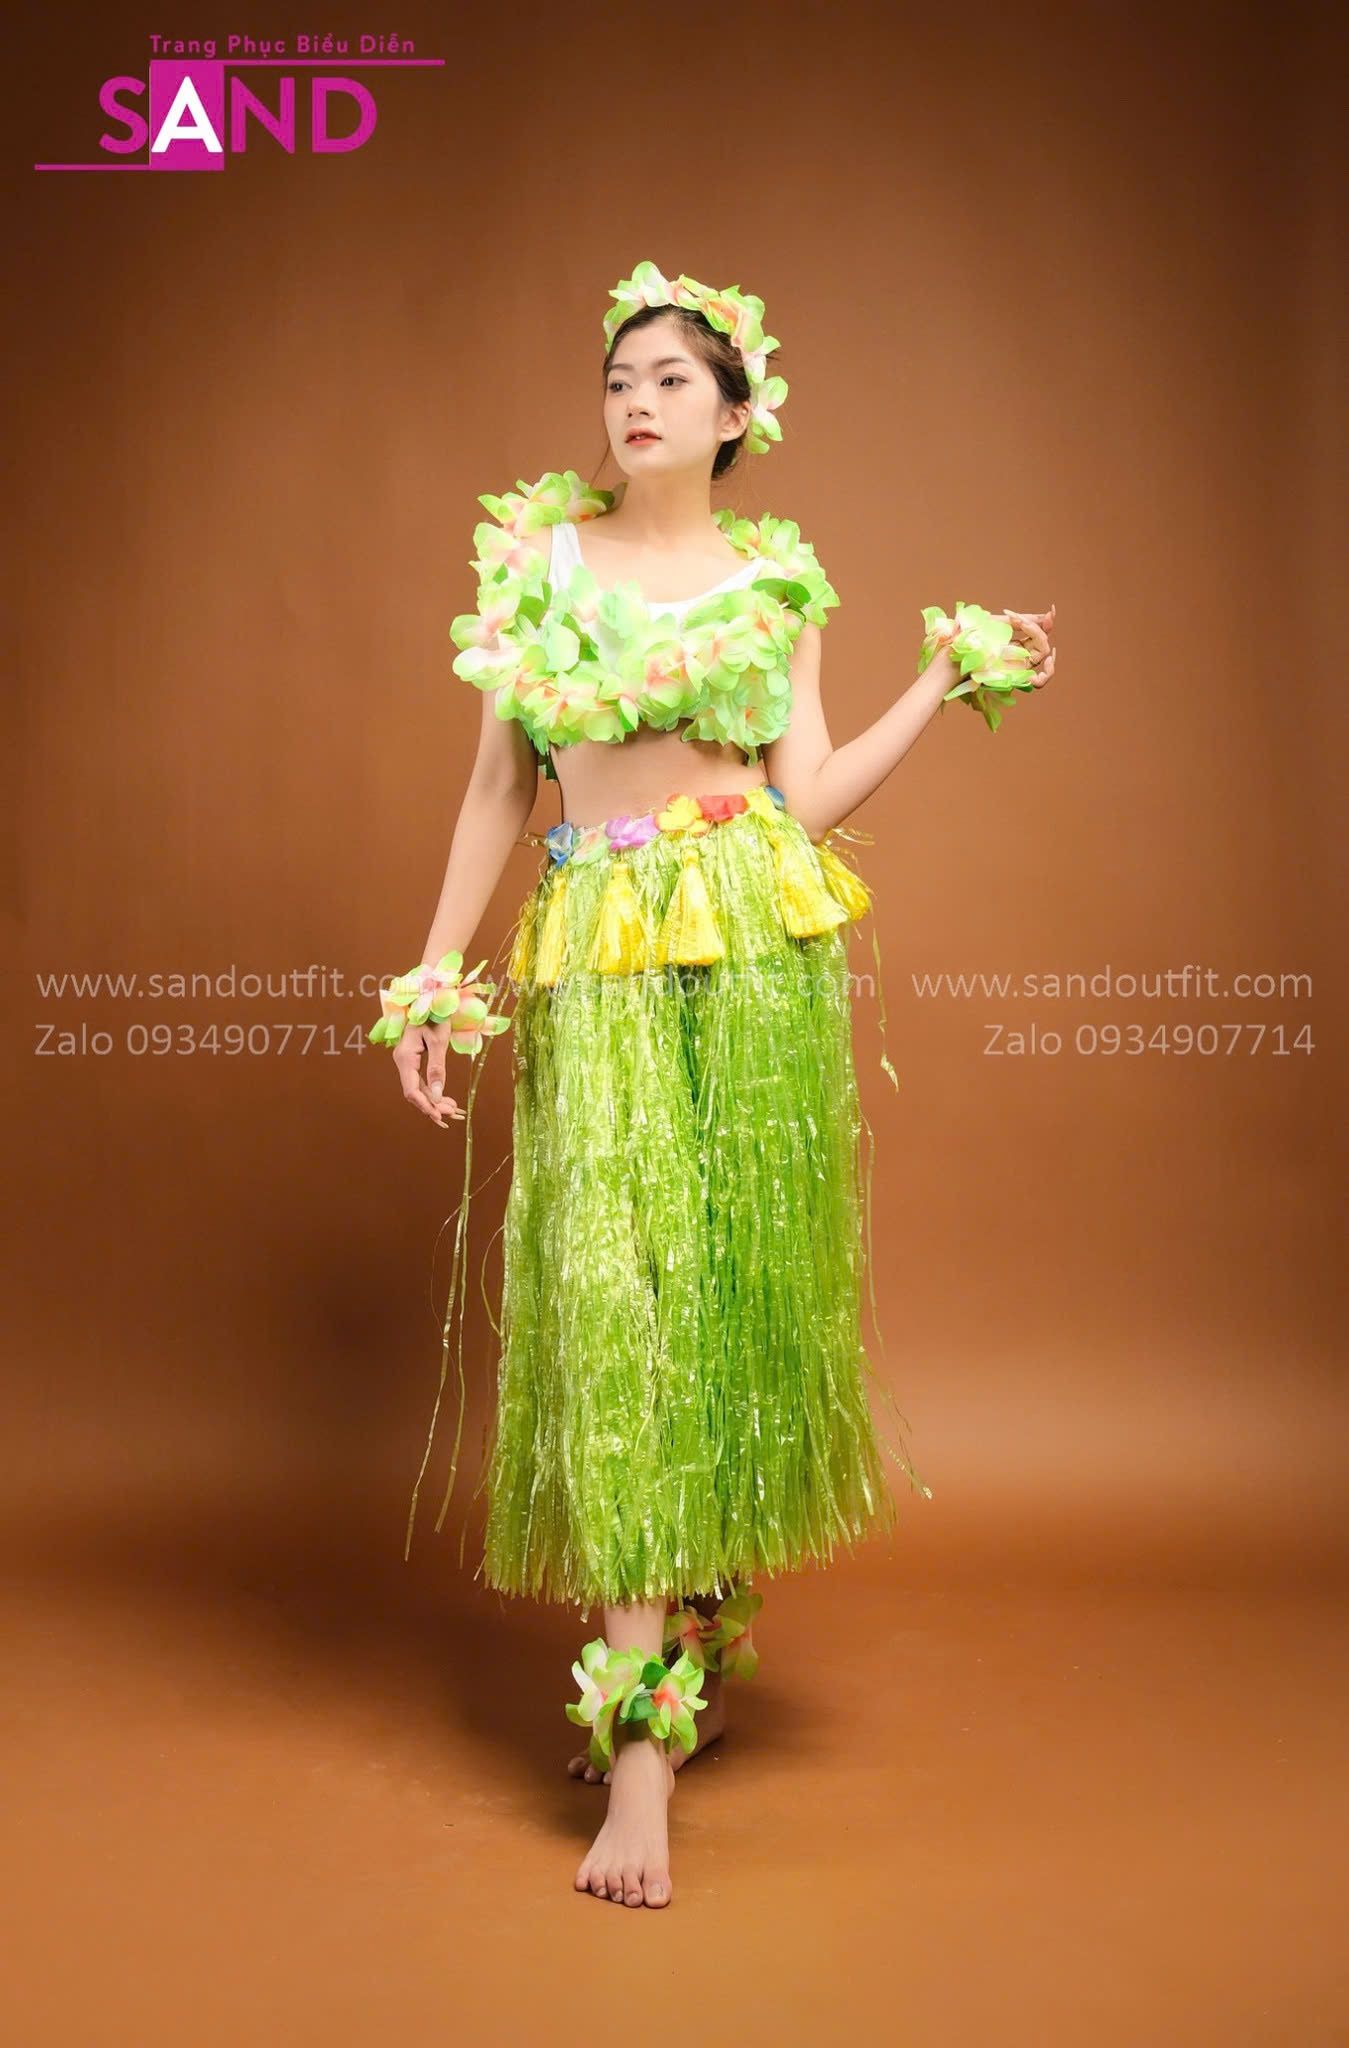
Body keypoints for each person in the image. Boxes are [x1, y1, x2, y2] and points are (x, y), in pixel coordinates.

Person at [369, 260, 1058, 1910]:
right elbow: (497, 786)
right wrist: (437, 978)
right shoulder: (537, 560)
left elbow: (799, 794)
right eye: (621, 376)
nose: (637, 398)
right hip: (598, 941)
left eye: (673, 377)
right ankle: (638, 1757)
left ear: (738, 415)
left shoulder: (778, 583)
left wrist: (940, 680)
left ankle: (687, 1664)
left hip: (750, 942)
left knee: (728, 1307)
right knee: (619, 1306)